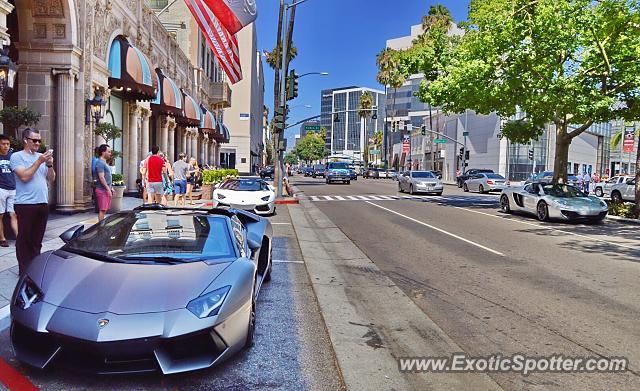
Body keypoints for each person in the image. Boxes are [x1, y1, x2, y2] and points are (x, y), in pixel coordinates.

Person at [10, 128, 55, 274]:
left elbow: (52, 178)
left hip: (42, 203)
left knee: (37, 240)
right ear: (25, 140)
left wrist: (49, 164)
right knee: (24, 239)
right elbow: (24, 176)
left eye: (39, 140)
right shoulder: (17, 156)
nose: (37, 143)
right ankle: (24, 270)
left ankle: (34, 269)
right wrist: (39, 161)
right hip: (25, 204)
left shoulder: (41, 157)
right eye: (34, 140)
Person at [0, 135, 18, 247]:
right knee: (0, 214)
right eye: (3, 144)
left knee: (13, 214)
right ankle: (2, 238)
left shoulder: (12, 157)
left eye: (8, 144)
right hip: (1, 188)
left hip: (12, 188)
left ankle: (18, 236)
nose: (6, 146)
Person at [93, 144, 113, 221]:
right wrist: (108, 189)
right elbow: (101, 177)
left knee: (104, 210)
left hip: (105, 190)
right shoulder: (100, 163)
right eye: (109, 152)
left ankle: (101, 226)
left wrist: (110, 188)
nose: (110, 153)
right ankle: (100, 228)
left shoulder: (104, 162)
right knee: (102, 210)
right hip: (102, 190)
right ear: (103, 152)